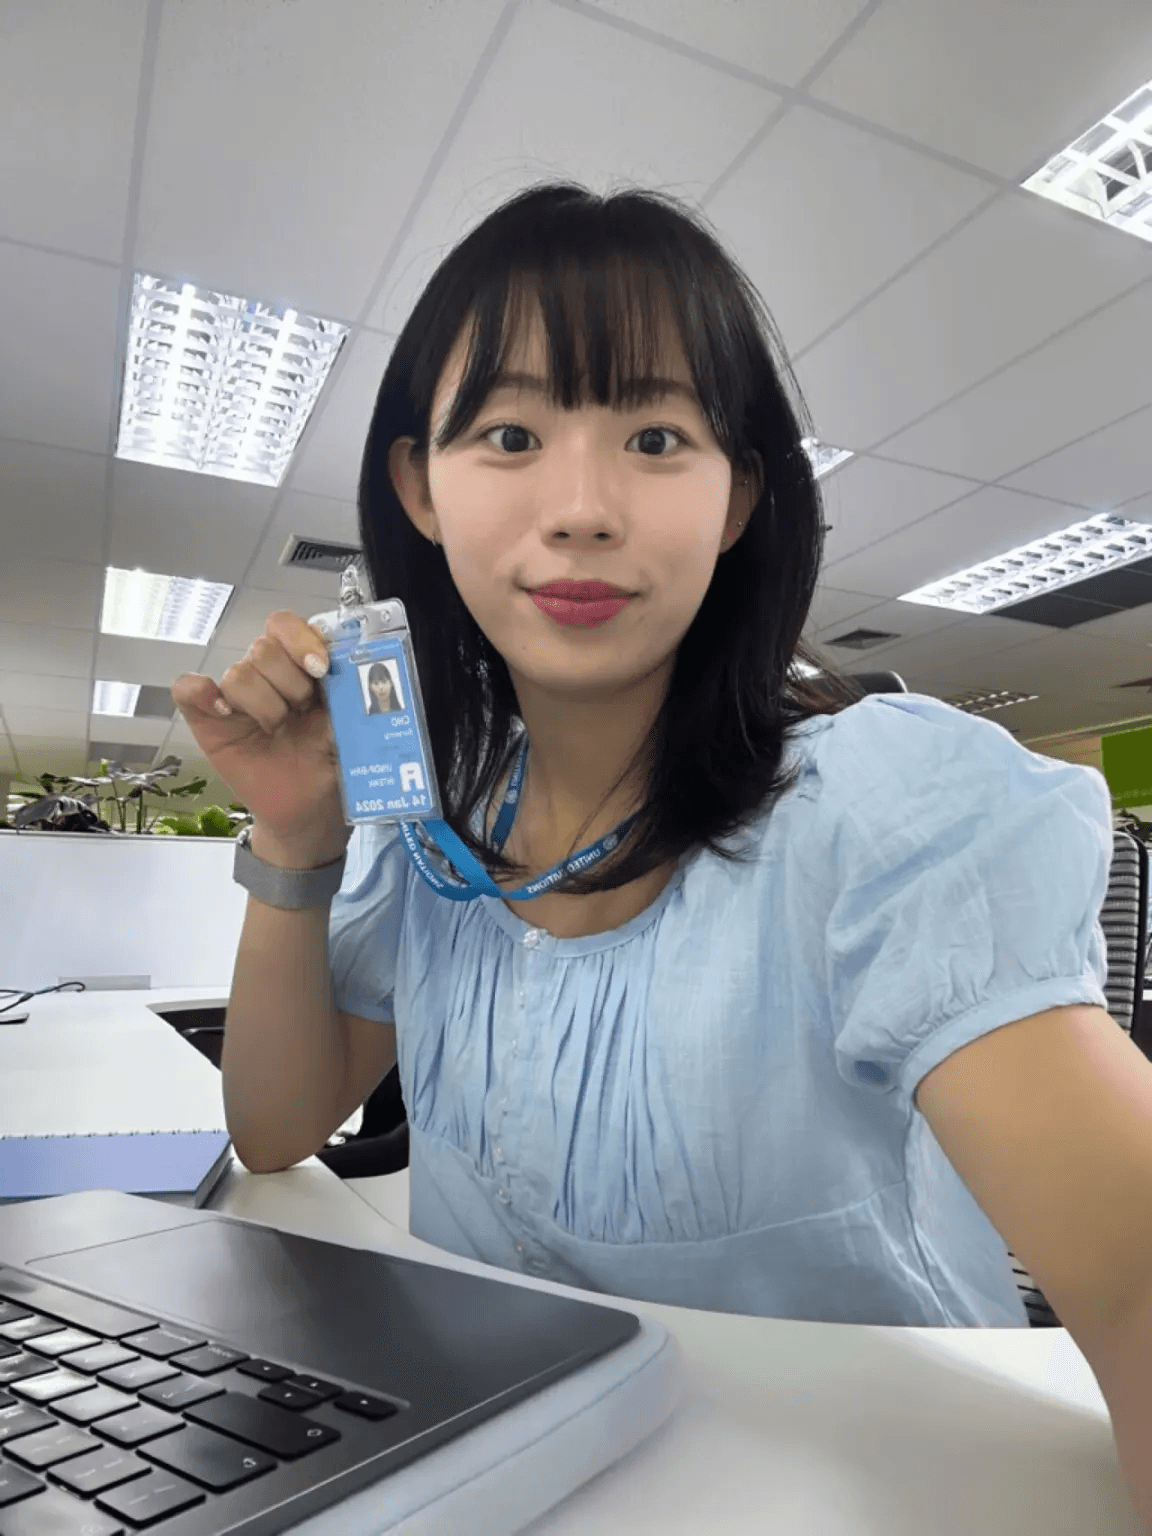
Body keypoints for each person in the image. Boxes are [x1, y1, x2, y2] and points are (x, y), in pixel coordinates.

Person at [173, 182, 1117, 1330]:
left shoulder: (882, 808)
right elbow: (274, 1131)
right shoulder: (438, 832)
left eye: (657, 439)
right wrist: (295, 836)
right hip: (493, 1429)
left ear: (738, 498)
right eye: (511, 437)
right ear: (419, 488)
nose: (583, 509)